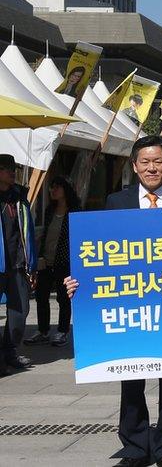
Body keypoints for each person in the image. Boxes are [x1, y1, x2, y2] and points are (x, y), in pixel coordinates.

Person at [64, 136, 162, 467]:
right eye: (145, 162)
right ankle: (136, 447)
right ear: (135, 165)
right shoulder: (116, 201)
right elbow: (102, 253)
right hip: (130, 304)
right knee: (131, 378)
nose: (152, 168)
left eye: (159, 162)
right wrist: (79, 282)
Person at [25, 177, 80, 348]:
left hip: (65, 262)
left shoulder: (75, 212)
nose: (53, 191)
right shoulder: (49, 211)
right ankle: (43, 331)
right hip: (46, 261)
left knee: (63, 299)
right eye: (51, 188)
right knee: (41, 297)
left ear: (65, 190)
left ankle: (62, 331)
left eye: (56, 187)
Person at [0, 154, 37, 377]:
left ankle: (9, 351)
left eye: (14, 168)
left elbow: (27, 232)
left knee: (20, 310)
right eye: (6, 168)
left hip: (17, 264)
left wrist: (31, 263)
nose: (12, 172)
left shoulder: (19, 198)